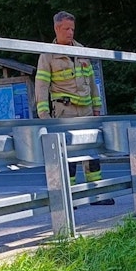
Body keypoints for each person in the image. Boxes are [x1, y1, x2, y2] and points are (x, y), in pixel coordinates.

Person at [35, 11, 114, 204]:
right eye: (66, 29)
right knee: (68, 154)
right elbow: (41, 85)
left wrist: (97, 108)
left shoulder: (81, 50)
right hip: (64, 110)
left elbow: (92, 83)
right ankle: (69, 198)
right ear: (56, 28)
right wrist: (43, 115)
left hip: (86, 110)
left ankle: (96, 194)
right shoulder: (47, 54)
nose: (70, 32)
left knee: (92, 151)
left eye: (72, 28)